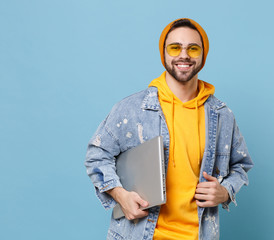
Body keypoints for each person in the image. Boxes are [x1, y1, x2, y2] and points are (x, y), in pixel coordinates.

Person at [85, 18, 253, 240]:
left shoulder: (221, 115)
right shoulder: (132, 109)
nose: (184, 55)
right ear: (163, 53)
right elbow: (97, 155)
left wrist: (225, 192)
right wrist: (120, 195)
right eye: (175, 47)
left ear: (203, 56)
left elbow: (241, 165)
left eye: (193, 48)